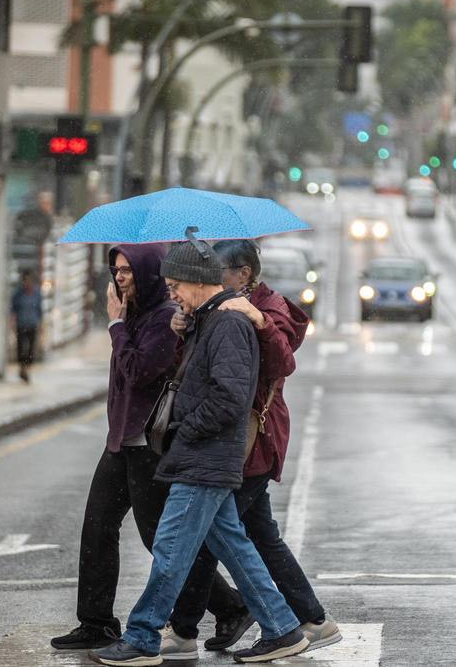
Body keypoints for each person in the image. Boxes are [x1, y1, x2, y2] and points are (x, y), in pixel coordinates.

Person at [91, 241, 308, 666]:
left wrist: (185, 430)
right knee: (235, 547)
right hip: (206, 456)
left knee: (171, 550)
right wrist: (184, 330)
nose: (170, 292)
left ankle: (142, 636)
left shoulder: (228, 324)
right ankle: (282, 628)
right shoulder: (206, 319)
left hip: (206, 457)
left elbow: (229, 397)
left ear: (197, 281)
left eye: (175, 285)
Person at [51, 244, 244, 653]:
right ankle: (96, 621)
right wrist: (121, 325)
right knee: (98, 527)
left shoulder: (160, 319)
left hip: (148, 444)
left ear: (149, 274)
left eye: (127, 272)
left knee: (160, 539)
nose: (119, 278)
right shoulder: (135, 316)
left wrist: (115, 327)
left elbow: (139, 372)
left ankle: (232, 606)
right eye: (115, 271)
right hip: (121, 439)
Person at [163, 240, 339, 658]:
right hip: (238, 439)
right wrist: (183, 330)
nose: (208, 279)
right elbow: (197, 370)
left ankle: (185, 628)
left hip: (253, 438)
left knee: (209, 534)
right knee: (257, 534)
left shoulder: (266, 306)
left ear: (243, 273)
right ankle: (312, 619)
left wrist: (258, 318)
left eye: (218, 272)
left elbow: (282, 362)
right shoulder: (217, 306)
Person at [11, 270, 43, 383]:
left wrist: (40, 325)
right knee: (21, 348)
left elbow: (39, 311)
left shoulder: (37, 294)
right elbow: (13, 310)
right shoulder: (18, 294)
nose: (27, 283)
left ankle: (27, 369)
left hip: (32, 325)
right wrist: (12, 323)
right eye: (25, 280)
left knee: (30, 350)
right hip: (21, 325)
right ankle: (22, 368)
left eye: (29, 280)